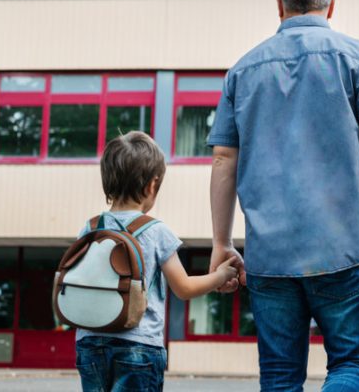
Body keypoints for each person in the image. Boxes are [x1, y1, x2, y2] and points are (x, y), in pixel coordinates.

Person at [206, 0, 359, 391]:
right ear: (331, 6)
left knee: (279, 376)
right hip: (345, 248)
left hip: (269, 257)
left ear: (279, 5)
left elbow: (224, 160)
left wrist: (221, 243)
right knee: (353, 366)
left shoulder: (242, 70)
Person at [75, 131, 242, 392]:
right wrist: (220, 275)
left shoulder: (91, 227)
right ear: (152, 185)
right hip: (138, 346)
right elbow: (184, 287)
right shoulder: (156, 231)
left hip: (89, 342)